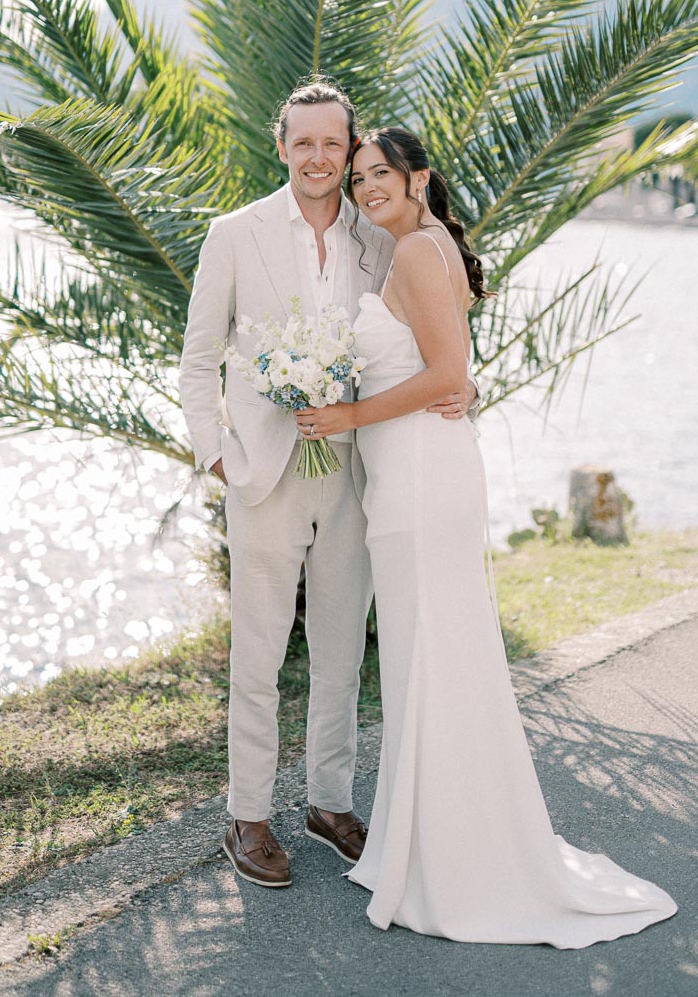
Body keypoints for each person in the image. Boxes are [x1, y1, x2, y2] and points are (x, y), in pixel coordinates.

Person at [294, 126, 678, 947]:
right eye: (358, 178)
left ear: (419, 177)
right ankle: (422, 845)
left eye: (378, 175)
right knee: (423, 656)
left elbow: (441, 376)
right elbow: (451, 371)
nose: (365, 188)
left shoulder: (417, 252)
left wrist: (344, 415)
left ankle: (457, 863)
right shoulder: (421, 250)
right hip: (411, 473)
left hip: (424, 480)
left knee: (433, 654)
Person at [179, 85, 478, 889]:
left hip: (357, 475)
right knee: (260, 653)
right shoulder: (233, 234)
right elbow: (199, 357)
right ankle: (248, 816)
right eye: (303, 143)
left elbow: (431, 329)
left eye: (334, 147)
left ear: (351, 155)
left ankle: (329, 803)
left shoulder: (379, 240)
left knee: (343, 652)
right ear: (282, 147)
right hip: (265, 475)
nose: (319, 158)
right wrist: (217, 456)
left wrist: (464, 382)